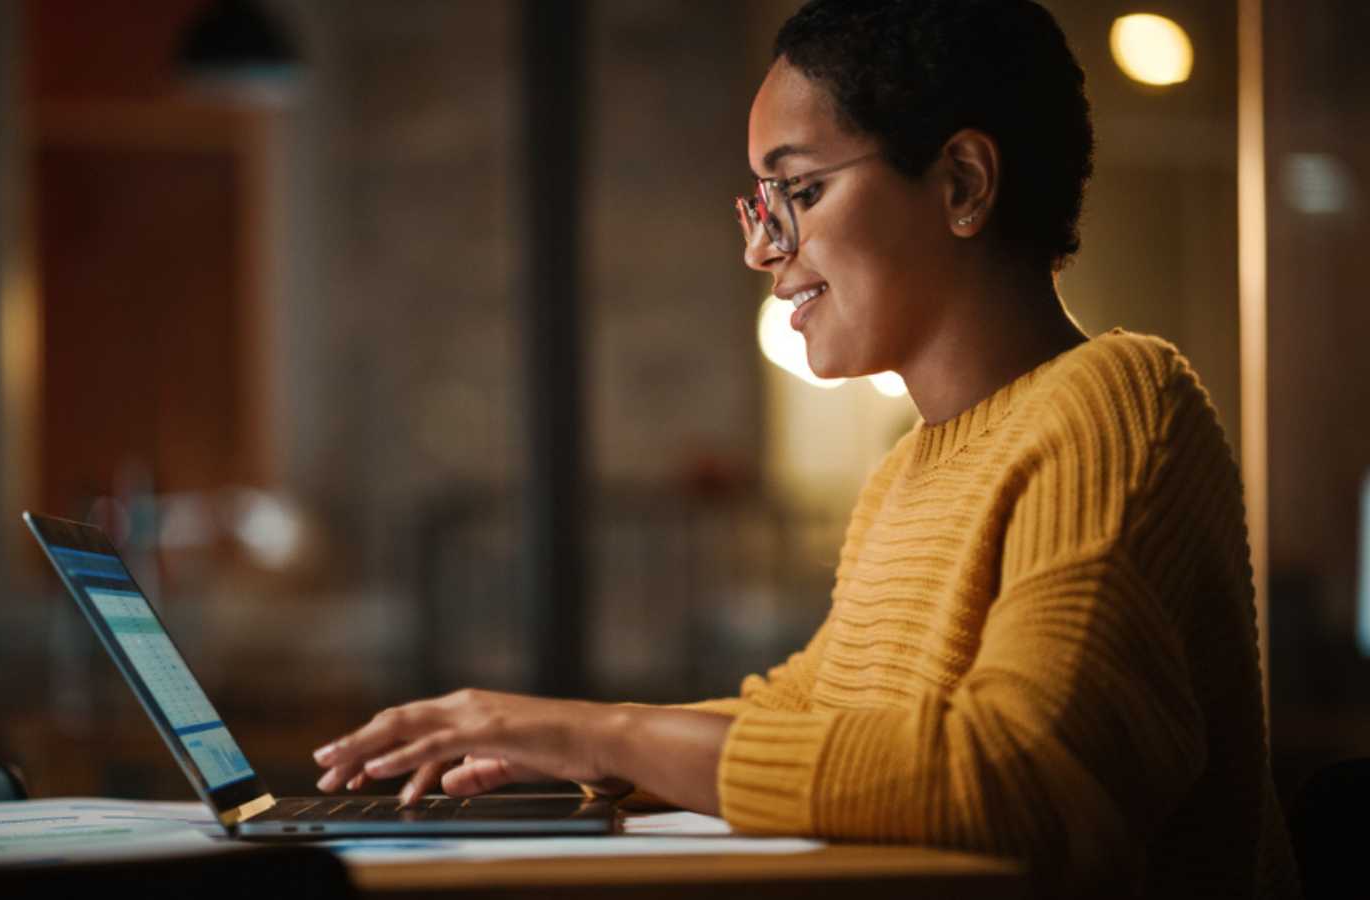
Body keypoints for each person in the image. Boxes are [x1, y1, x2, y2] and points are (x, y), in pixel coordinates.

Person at [311, 1, 1300, 895]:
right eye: (760, 203)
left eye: (799, 191)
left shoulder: (1118, 401)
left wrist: (594, 732)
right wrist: (565, 744)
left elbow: (1017, 776)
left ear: (961, 181)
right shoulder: (908, 471)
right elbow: (807, 718)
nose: (760, 249)